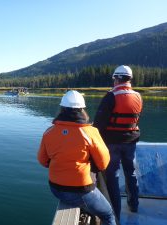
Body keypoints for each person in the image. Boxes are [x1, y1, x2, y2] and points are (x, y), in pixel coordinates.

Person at [37, 90, 116, 225]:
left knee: (88, 204)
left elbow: (42, 160)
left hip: (55, 189)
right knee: (108, 215)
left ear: (62, 109)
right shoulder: (90, 132)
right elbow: (103, 163)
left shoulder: (49, 132)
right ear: (82, 109)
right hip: (80, 191)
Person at [93, 65, 143, 220]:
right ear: (129, 79)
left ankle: (116, 215)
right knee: (131, 172)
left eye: (114, 78)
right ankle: (133, 205)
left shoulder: (111, 96)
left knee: (112, 177)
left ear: (117, 78)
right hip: (131, 142)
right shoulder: (138, 96)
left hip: (112, 143)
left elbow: (99, 124)